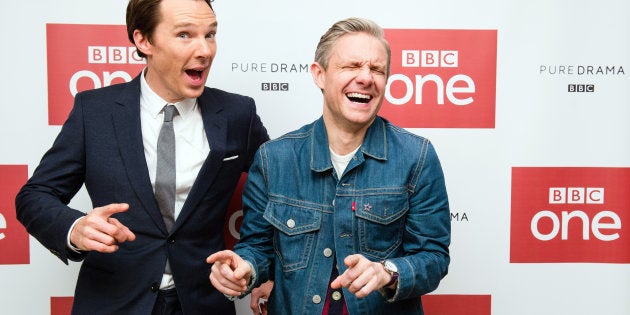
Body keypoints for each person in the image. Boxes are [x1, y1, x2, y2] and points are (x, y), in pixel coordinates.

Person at [15, 0, 269, 314]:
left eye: (210, 34)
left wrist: (259, 266)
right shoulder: (94, 111)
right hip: (114, 300)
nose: (205, 50)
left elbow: (278, 192)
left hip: (204, 302)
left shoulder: (238, 113)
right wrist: (74, 228)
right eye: (185, 35)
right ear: (143, 40)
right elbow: (35, 195)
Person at [207, 17, 451, 314]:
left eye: (377, 69)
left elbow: (433, 257)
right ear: (319, 75)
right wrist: (244, 268)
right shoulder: (274, 158)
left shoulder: (418, 156)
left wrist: (387, 272)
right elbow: (257, 248)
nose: (366, 78)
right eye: (351, 66)